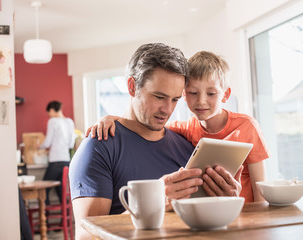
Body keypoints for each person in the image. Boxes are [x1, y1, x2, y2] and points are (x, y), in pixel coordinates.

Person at [70, 43, 242, 240]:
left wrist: (227, 201)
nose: (167, 109)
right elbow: (86, 236)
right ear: (132, 87)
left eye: (175, 99)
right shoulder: (99, 146)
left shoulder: (188, 147)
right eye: (159, 97)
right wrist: (151, 204)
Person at [86, 51, 270, 202]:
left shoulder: (246, 126)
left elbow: (261, 190)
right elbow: (146, 124)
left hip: (245, 212)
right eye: (192, 93)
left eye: (211, 93)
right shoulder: (186, 129)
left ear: (225, 95)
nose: (201, 101)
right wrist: (112, 119)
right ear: (185, 93)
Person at [39, 100, 75, 204]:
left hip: (55, 160)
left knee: (44, 189)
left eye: (48, 113)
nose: (49, 115)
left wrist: (39, 146)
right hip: (66, 160)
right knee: (61, 191)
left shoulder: (53, 121)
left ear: (51, 110)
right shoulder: (69, 122)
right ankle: (66, 218)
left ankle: (45, 216)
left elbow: (47, 142)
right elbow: (70, 144)